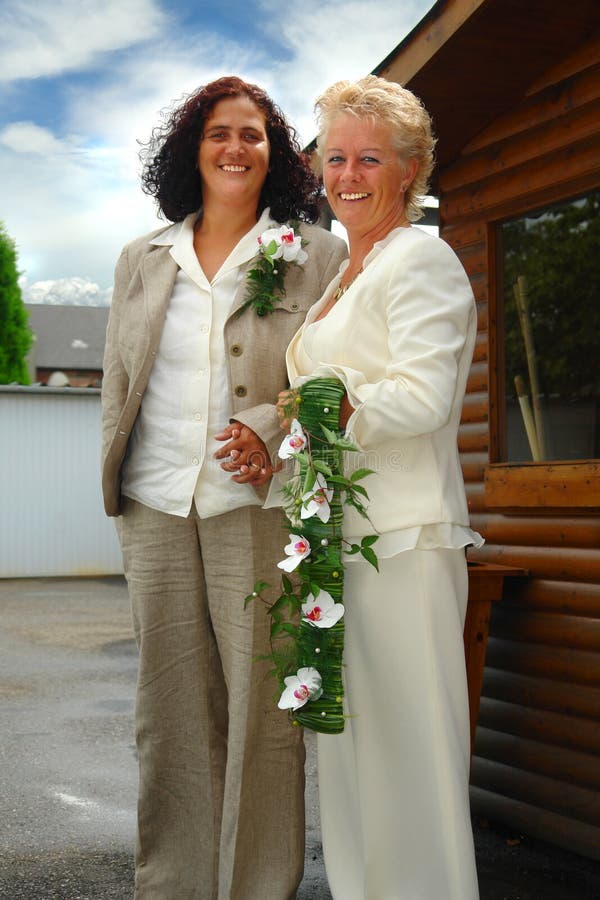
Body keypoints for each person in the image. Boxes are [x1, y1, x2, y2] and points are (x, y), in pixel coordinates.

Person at [101, 75, 347, 900]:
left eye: (252, 134)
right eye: (218, 134)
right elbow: (118, 379)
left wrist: (274, 436)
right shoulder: (142, 258)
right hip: (156, 501)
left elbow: (336, 375)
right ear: (191, 150)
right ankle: (173, 884)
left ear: (275, 154)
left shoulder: (317, 253)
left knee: (262, 715)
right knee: (167, 711)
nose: (235, 148)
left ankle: (254, 887)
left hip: (261, 509)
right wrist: (115, 479)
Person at [276, 75, 483, 899]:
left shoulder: (421, 259)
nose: (349, 174)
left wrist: (320, 407)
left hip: (403, 541)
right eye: (335, 157)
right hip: (338, 548)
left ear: (410, 170)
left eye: (370, 158)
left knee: (412, 762)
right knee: (353, 757)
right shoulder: (341, 277)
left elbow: (425, 398)